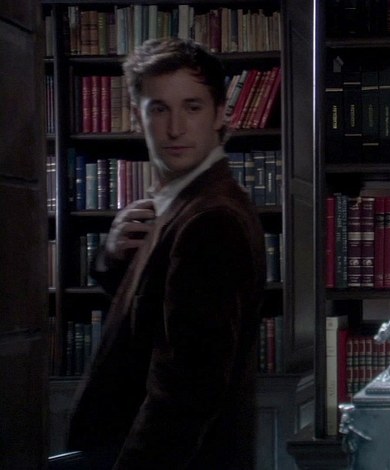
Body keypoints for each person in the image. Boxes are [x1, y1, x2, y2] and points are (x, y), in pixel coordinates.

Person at [67, 37, 267, 469]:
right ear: (137, 116)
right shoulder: (179, 202)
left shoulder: (211, 218)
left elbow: (186, 391)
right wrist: (113, 258)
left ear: (219, 114)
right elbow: (153, 318)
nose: (175, 128)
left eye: (192, 107)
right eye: (159, 109)